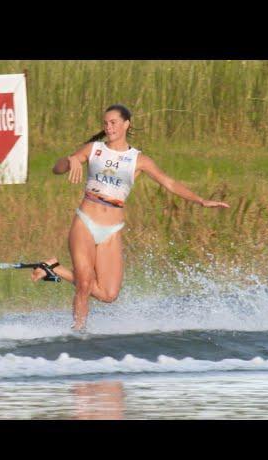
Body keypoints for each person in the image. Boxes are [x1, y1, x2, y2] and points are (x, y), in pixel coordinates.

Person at [31, 104, 229, 331]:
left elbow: (170, 183)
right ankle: (78, 333)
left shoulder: (138, 160)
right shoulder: (94, 149)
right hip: (85, 221)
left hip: (111, 230)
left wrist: (200, 200)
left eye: (113, 122)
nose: (108, 127)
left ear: (127, 124)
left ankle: (53, 268)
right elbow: (56, 169)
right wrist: (70, 160)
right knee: (84, 284)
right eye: (105, 123)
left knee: (108, 294)